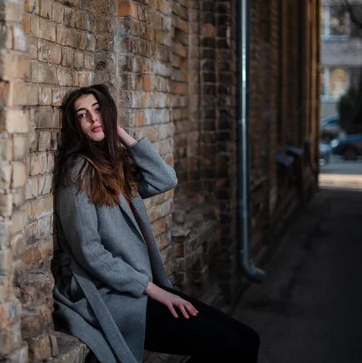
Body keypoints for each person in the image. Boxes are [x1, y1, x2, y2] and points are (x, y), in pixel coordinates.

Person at [52, 84, 260, 363]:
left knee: (247, 339)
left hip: (137, 288)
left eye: (98, 110)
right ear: (76, 125)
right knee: (230, 344)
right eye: (83, 115)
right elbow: (90, 252)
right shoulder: (77, 173)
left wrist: (121, 134)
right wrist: (152, 289)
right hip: (112, 294)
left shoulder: (114, 166)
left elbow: (165, 179)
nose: (93, 120)